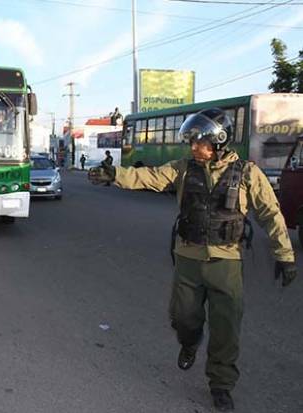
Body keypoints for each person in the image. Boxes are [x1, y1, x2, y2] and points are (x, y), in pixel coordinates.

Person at [90, 108, 297, 412]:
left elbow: (271, 214)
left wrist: (284, 255)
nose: (193, 147)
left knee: (226, 329)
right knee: (183, 318)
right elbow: (150, 176)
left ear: (218, 142)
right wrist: (115, 174)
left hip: (227, 262)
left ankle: (221, 385)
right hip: (188, 258)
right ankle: (190, 342)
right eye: (192, 142)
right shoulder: (183, 169)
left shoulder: (248, 173)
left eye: (199, 142)